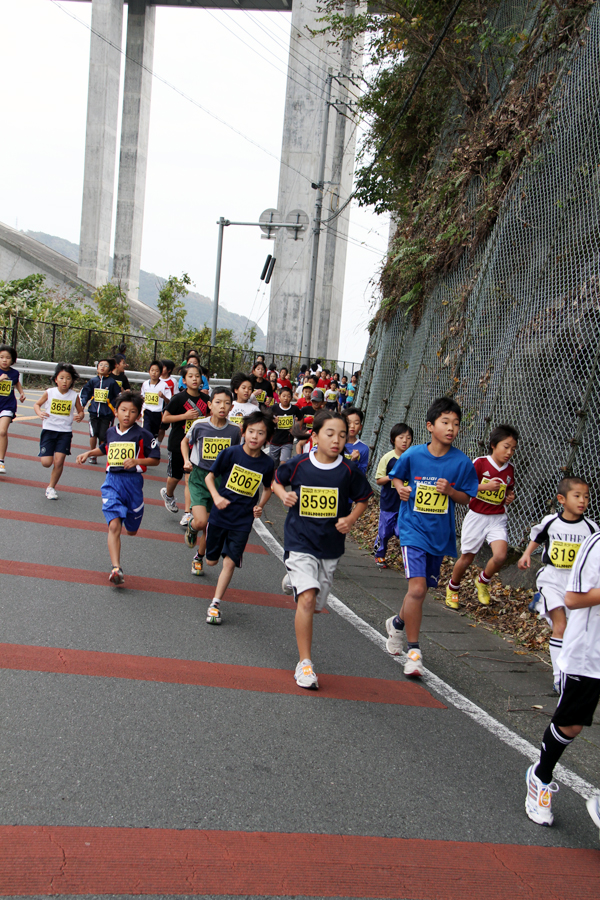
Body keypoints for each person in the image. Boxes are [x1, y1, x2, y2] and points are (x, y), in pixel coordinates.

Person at [274, 410, 373, 689]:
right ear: (315, 436)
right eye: (330, 434)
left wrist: (350, 519)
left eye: (342, 435)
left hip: (330, 546)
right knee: (306, 600)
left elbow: (364, 499)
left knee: (316, 605)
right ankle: (305, 664)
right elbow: (276, 479)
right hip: (299, 541)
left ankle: (293, 580)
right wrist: (283, 494)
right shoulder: (299, 464)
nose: (336, 440)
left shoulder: (349, 471)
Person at [386, 398, 479, 677]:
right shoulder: (413, 455)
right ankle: (414, 652)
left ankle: (397, 623)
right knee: (416, 589)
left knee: (422, 590)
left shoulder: (461, 462)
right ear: (430, 426)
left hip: (438, 535)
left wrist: (450, 492)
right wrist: (400, 488)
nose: (451, 428)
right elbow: (396, 477)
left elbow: (466, 498)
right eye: (445, 422)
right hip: (412, 529)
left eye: (456, 424)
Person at [524, 528, 600, 830]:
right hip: (588, 654)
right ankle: (540, 776)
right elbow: (573, 598)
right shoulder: (595, 545)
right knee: (571, 725)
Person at [518, 477, 598, 693]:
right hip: (552, 578)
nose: (582, 501)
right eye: (577, 496)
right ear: (561, 499)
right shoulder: (551, 522)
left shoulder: (591, 528)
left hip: (576, 584)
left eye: (586, 497)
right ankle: (559, 679)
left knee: (571, 631)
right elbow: (538, 537)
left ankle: (539, 603)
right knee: (560, 627)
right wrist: (527, 554)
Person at [76, 391, 160, 585]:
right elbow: (105, 448)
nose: (127, 414)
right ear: (116, 412)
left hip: (133, 483)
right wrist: (89, 453)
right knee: (114, 525)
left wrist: (137, 461)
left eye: (132, 411)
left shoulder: (143, 435)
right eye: (123, 410)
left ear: (139, 415)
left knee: (131, 530)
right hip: (112, 481)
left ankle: (133, 520)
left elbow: (155, 459)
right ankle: (116, 568)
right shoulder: (111, 432)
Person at [204, 411, 275, 624]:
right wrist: (216, 497)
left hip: (242, 520)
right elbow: (210, 477)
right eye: (251, 431)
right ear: (243, 432)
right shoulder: (231, 453)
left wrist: (259, 506)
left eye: (261, 433)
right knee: (211, 561)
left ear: (267, 438)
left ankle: (215, 604)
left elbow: (268, 488)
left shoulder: (267, 463)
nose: (255, 436)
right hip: (220, 514)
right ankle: (197, 540)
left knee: (230, 562)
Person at [445, 425, 519, 610]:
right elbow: (464, 486)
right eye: (506, 447)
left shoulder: (510, 469)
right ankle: (453, 588)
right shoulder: (480, 463)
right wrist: (485, 487)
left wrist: (509, 497)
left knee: (500, 556)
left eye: (513, 449)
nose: (509, 452)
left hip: (497, 518)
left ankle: (483, 581)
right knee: (467, 558)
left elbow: (508, 491)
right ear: (493, 445)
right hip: (477, 516)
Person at [182, 387, 241, 576]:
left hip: (220, 481)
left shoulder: (235, 431)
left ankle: (198, 557)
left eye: (226, 403)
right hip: (200, 477)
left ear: (231, 407)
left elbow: (238, 454)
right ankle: (192, 527)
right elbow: (185, 442)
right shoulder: (199, 425)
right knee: (201, 522)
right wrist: (186, 460)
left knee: (211, 525)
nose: (222, 406)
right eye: (218, 402)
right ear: (209, 405)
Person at [160, 365, 207, 518]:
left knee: (189, 478)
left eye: (197, 376)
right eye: (191, 376)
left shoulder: (206, 400)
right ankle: (168, 494)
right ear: (184, 380)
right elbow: (165, 418)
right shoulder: (178, 398)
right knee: (175, 476)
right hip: (177, 443)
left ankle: (188, 513)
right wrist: (184, 416)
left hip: (197, 445)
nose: (194, 379)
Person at [33, 362, 85, 499]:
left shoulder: (74, 395)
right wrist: (39, 413)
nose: (65, 381)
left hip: (65, 432)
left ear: (72, 381)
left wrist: (80, 416)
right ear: (56, 379)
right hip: (49, 430)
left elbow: (81, 411)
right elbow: (37, 404)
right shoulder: (50, 392)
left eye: (68, 378)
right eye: (61, 378)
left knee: (59, 460)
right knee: (46, 463)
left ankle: (51, 487)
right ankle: (50, 483)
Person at [374, 424, 414, 568]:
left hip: (406, 504)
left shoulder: (413, 458)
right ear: (393, 439)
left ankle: (409, 560)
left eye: (408, 438)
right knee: (385, 532)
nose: (405, 441)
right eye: (401, 437)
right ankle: (379, 554)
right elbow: (379, 480)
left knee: (401, 532)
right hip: (389, 503)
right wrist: (392, 477)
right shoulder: (388, 458)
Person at [79, 358, 121, 465]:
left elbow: (118, 397)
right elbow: (85, 394)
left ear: (110, 370)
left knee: (103, 436)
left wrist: (115, 408)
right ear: (97, 367)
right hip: (93, 412)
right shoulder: (92, 381)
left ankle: (104, 453)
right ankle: (92, 454)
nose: (102, 367)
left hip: (107, 414)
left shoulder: (112, 383)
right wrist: (82, 405)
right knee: (93, 434)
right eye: (101, 365)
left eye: (106, 366)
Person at [0, 345, 26, 476]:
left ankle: (1, 461)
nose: (4, 360)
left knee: (2, 431)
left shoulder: (14, 373)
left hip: (7, 406)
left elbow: (16, 383)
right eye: (1, 357)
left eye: (8, 358)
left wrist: (21, 393)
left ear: (12, 359)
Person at [140, 360, 171, 438]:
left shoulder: (164, 385)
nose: (154, 373)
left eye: (157, 371)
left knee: (154, 434)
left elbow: (169, 401)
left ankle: (153, 443)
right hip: (146, 411)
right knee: (146, 431)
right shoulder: (145, 384)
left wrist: (163, 397)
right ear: (149, 371)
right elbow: (142, 397)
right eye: (152, 370)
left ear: (160, 373)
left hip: (157, 413)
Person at [270, 386, 297, 468]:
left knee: (284, 463)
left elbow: (300, 418)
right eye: (284, 396)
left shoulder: (294, 409)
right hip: (275, 439)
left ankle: (282, 475)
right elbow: (266, 418)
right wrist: (273, 420)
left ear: (291, 398)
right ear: (279, 397)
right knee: (273, 464)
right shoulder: (274, 408)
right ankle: (274, 475)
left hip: (288, 440)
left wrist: (295, 428)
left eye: (288, 396)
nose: (286, 398)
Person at [294, 388, 325, 455]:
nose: (316, 403)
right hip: (305, 435)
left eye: (318, 401)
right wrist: (304, 420)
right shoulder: (304, 410)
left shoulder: (324, 413)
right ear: (311, 400)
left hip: (318, 436)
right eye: (314, 401)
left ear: (322, 401)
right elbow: (297, 420)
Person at [343, 407, 369, 474]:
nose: (352, 426)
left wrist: (355, 461)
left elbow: (362, 473)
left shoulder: (363, 448)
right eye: (348, 423)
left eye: (356, 423)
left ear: (360, 427)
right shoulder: (335, 443)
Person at [158, 359, 178, 446]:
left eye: (162, 367)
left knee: (162, 428)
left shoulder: (173, 381)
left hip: (166, 406)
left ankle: (158, 444)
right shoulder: (156, 379)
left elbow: (175, 395)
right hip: (156, 406)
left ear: (169, 370)